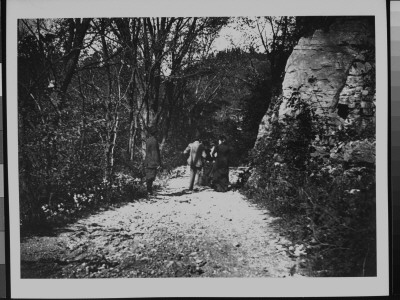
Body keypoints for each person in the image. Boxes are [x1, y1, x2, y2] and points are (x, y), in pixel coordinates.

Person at [144, 126, 161, 195]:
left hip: (148, 160)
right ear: (155, 133)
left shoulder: (148, 140)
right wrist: (158, 163)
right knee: (151, 176)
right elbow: (155, 153)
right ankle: (149, 191)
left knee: (149, 176)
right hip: (152, 161)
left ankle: (149, 190)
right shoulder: (154, 141)